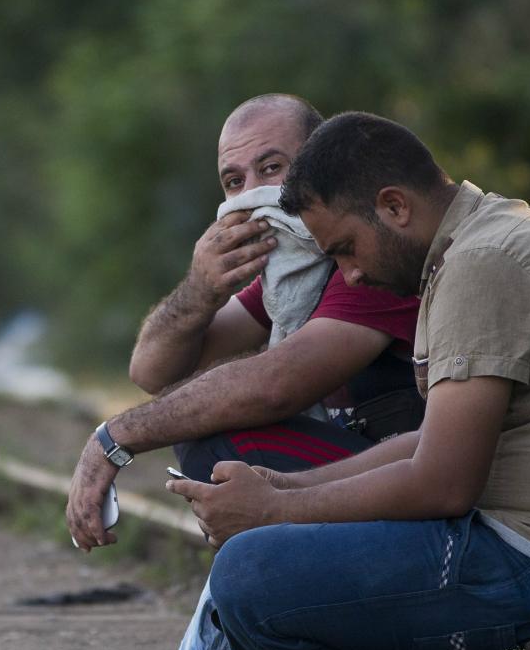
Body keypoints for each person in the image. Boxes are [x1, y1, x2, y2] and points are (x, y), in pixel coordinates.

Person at [156, 111, 530, 650]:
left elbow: (443, 483)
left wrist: (273, 512)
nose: (350, 275)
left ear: (393, 206)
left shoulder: (484, 264)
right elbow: (430, 440)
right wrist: (284, 486)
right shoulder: (483, 240)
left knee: (250, 572)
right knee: (263, 551)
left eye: (344, 249)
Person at [66, 94, 424, 558]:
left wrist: (113, 439)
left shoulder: (369, 260)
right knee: (202, 428)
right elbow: (154, 371)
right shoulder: (292, 278)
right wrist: (200, 289)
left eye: (272, 169)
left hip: (424, 482)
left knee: (223, 445)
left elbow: (278, 384)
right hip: (379, 474)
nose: (253, 196)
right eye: (235, 182)